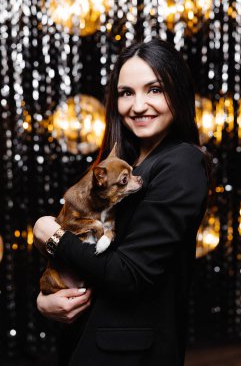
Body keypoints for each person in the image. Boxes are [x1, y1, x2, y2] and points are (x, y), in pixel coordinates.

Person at [33, 38, 209, 366]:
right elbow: (89, 251)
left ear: (179, 92)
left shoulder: (181, 164)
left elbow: (128, 275)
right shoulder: (123, 162)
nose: (138, 105)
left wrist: (51, 234)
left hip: (131, 355)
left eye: (154, 89)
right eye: (127, 93)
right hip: (88, 340)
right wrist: (47, 299)